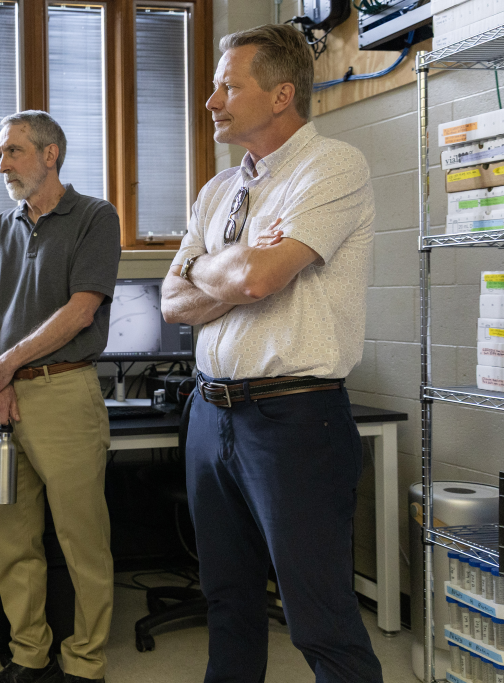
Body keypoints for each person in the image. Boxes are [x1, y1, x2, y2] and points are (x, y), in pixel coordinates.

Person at [160, 24, 382, 683]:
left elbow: (258, 280)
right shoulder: (217, 191)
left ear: (282, 94)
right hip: (210, 414)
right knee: (226, 601)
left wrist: (216, 267)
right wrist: (235, 266)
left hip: (294, 419)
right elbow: (172, 299)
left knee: (319, 618)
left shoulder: (333, 167)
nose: (212, 100)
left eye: (229, 85)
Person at [0, 110, 120, 683]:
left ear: (50, 154)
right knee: (12, 540)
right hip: (1, 403)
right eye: (1, 153)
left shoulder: (94, 217)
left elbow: (82, 309)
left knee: (82, 540)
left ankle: (84, 664)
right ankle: (29, 658)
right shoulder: (1, 228)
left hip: (63, 393)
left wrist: (5, 367)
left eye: (13, 151)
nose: (2, 163)